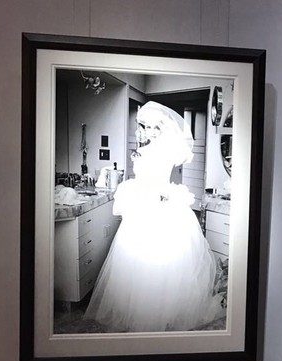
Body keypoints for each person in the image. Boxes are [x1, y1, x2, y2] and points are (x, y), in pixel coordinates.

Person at [84, 101, 222, 332]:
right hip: (142, 206)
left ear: (161, 127)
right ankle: (135, 308)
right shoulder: (143, 150)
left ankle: (161, 310)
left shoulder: (169, 150)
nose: (147, 130)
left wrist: (156, 192)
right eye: (144, 126)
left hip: (160, 203)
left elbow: (163, 176)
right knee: (135, 256)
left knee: (162, 257)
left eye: (151, 126)